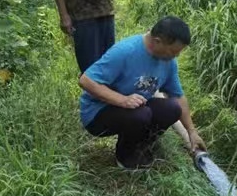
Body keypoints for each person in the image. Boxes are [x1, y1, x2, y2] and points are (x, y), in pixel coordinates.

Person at [78, 16, 207, 169]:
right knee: (141, 114)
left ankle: (139, 147)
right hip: (97, 114)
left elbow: (178, 96)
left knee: (172, 108)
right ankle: (125, 157)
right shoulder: (125, 51)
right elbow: (85, 80)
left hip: (133, 110)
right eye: (173, 51)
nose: (176, 56)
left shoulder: (168, 62)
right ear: (158, 41)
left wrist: (191, 131)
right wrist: (122, 100)